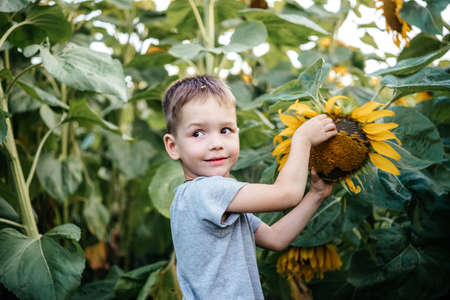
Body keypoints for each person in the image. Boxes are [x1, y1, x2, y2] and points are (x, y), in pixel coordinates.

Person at [162, 74, 337, 299]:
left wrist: (316, 195)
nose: (216, 144)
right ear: (173, 146)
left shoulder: (212, 200)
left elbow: (275, 238)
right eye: (198, 133)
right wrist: (302, 139)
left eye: (225, 130)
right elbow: (287, 194)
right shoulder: (206, 192)